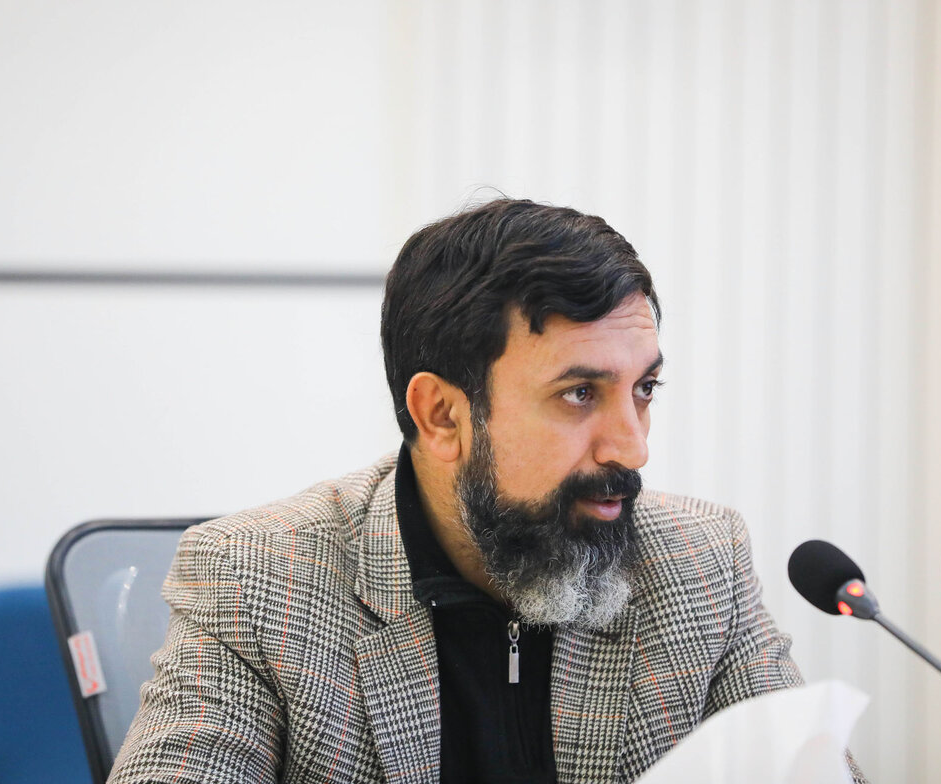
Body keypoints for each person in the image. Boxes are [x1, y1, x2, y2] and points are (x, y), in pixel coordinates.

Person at [107, 199, 867, 783]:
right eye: (579, 394)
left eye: (644, 390)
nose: (633, 447)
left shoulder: (699, 564)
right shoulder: (258, 580)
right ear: (442, 416)